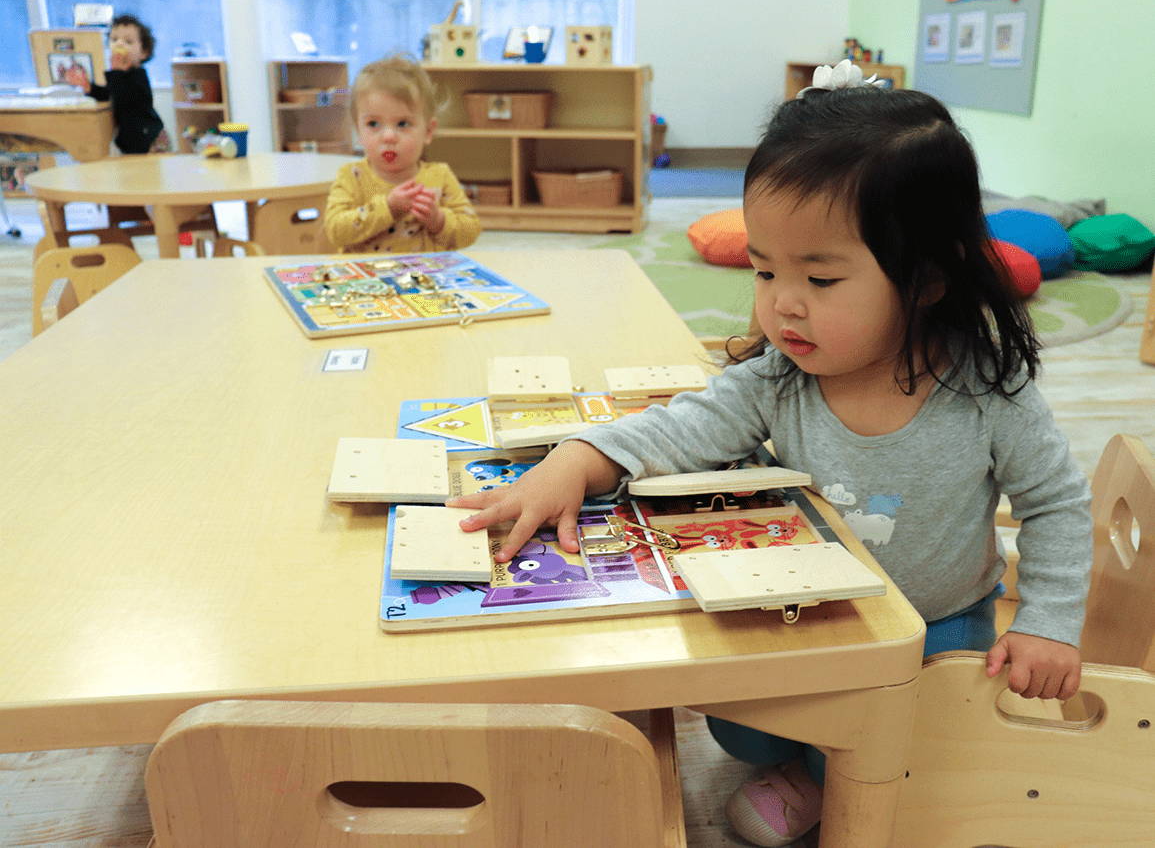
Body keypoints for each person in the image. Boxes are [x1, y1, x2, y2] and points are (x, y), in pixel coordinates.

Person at [448, 61, 1093, 847]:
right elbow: (680, 428)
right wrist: (574, 459)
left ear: (926, 280)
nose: (781, 301)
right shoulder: (780, 376)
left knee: (911, 736)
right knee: (738, 728)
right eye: (763, 268)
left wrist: (1049, 621)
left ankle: (832, 775)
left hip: (935, 629)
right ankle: (816, 752)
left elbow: (1055, 504)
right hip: (810, 608)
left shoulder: (988, 393)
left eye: (818, 276)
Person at [325, 54, 480, 253]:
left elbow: (470, 230)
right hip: (367, 280)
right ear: (358, 132)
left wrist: (438, 220)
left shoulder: (439, 176)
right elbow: (335, 231)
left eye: (403, 124)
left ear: (428, 131)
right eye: (373, 124)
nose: (389, 136)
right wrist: (387, 208)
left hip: (425, 279)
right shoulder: (351, 176)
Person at [65, 14, 170, 154]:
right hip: (133, 140)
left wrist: (116, 72)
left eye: (128, 41)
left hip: (150, 140)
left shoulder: (139, 76)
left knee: (148, 174)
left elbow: (123, 97)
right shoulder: (119, 77)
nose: (119, 44)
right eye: (114, 39)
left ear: (144, 53)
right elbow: (109, 94)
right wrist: (88, 86)